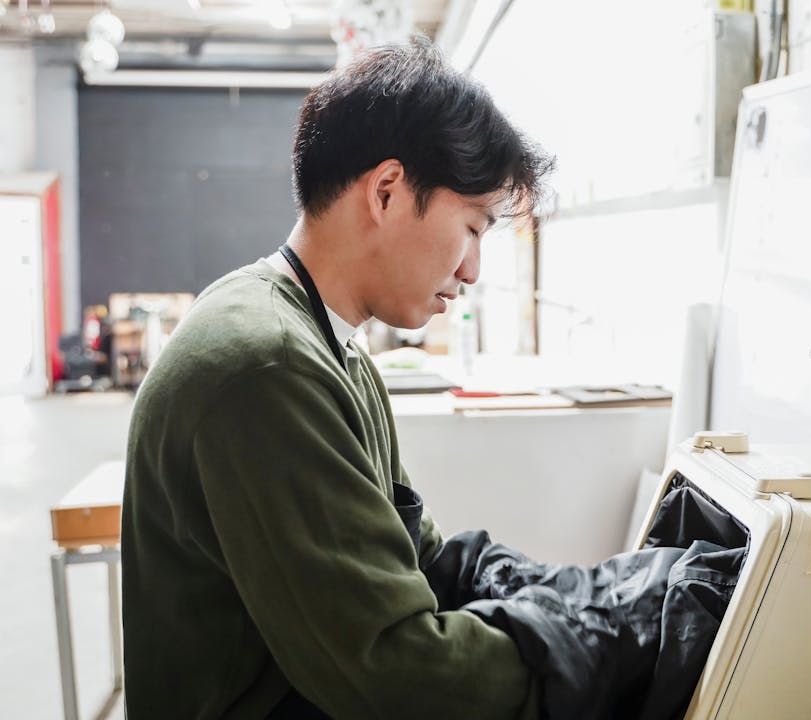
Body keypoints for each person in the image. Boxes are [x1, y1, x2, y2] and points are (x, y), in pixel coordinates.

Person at [121, 38, 553, 719]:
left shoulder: (329, 346)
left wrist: (557, 596)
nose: (472, 270)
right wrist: (585, 654)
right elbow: (393, 672)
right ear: (387, 192)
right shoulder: (268, 363)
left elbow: (416, 557)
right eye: (473, 227)